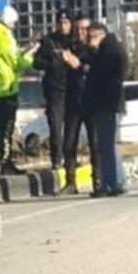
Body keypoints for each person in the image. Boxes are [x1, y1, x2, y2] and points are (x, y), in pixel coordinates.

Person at [65, 22, 129, 197]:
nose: (88, 40)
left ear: (99, 35)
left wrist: (81, 64)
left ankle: (112, 183)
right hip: (103, 102)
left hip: (107, 102)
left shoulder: (111, 50)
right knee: (106, 145)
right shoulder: (107, 49)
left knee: (106, 146)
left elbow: (102, 72)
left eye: (91, 36)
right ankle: (115, 182)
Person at [0, 6, 39, 177]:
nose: (14, 27)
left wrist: (28, 46)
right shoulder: (4, 36)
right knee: (6, 129)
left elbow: (4, 57)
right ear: (9, 21)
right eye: (13, 24)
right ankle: (5, 163)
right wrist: (31, 56)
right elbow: (17, 63)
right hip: (7, 88)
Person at [31, 9, 73, 171]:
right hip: (55, 91)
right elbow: (37, 62)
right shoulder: (49, 41)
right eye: (60, 23)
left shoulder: (74, 41)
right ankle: (56, 160)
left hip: (72, 90)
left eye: (66, 23)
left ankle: (70, 159)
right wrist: (52, 63)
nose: (63, 26)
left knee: (71, 129)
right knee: (55, 127)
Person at [56, 15, 93, 195]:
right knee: (69, 143)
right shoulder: (70, 48)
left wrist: (79, 65)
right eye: (77, 29)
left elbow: (98, 71)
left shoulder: (95, 49)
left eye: (84, 29)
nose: (81, 33)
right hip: (73, 102)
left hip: (92, 101)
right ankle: (70, 181)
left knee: (95, 143)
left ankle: (99, 179)